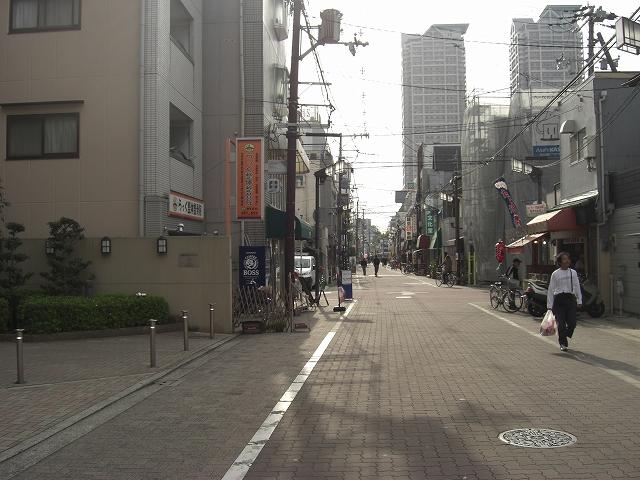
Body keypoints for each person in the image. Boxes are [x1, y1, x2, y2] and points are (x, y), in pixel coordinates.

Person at [547, 252, 583, 352]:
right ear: (560, 262)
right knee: (561, 324)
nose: (567, 261)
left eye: (568, 259)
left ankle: (565, 333)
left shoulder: (573, 272)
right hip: (559, 300)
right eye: (564, 259)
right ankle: (563, 343)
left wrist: (579, 300)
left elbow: (577, 286)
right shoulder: (555, 274)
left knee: (572, 323)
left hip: (570, 299)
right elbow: (551, 289)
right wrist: (549, 305)